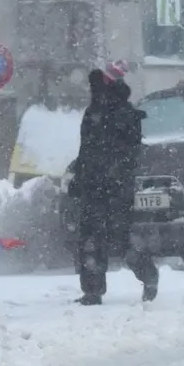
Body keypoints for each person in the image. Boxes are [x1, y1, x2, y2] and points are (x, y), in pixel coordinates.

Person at [70, 59, 159, 305]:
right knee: (90, 238)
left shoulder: (125, 114)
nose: (95, 93)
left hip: (116, 186)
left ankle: (148, 275)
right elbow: (86, 149)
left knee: (121, 238)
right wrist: (80, 176)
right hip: (92, 185)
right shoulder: (93, 113)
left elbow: (129, 152)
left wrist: (113, 173)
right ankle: (92, 290)